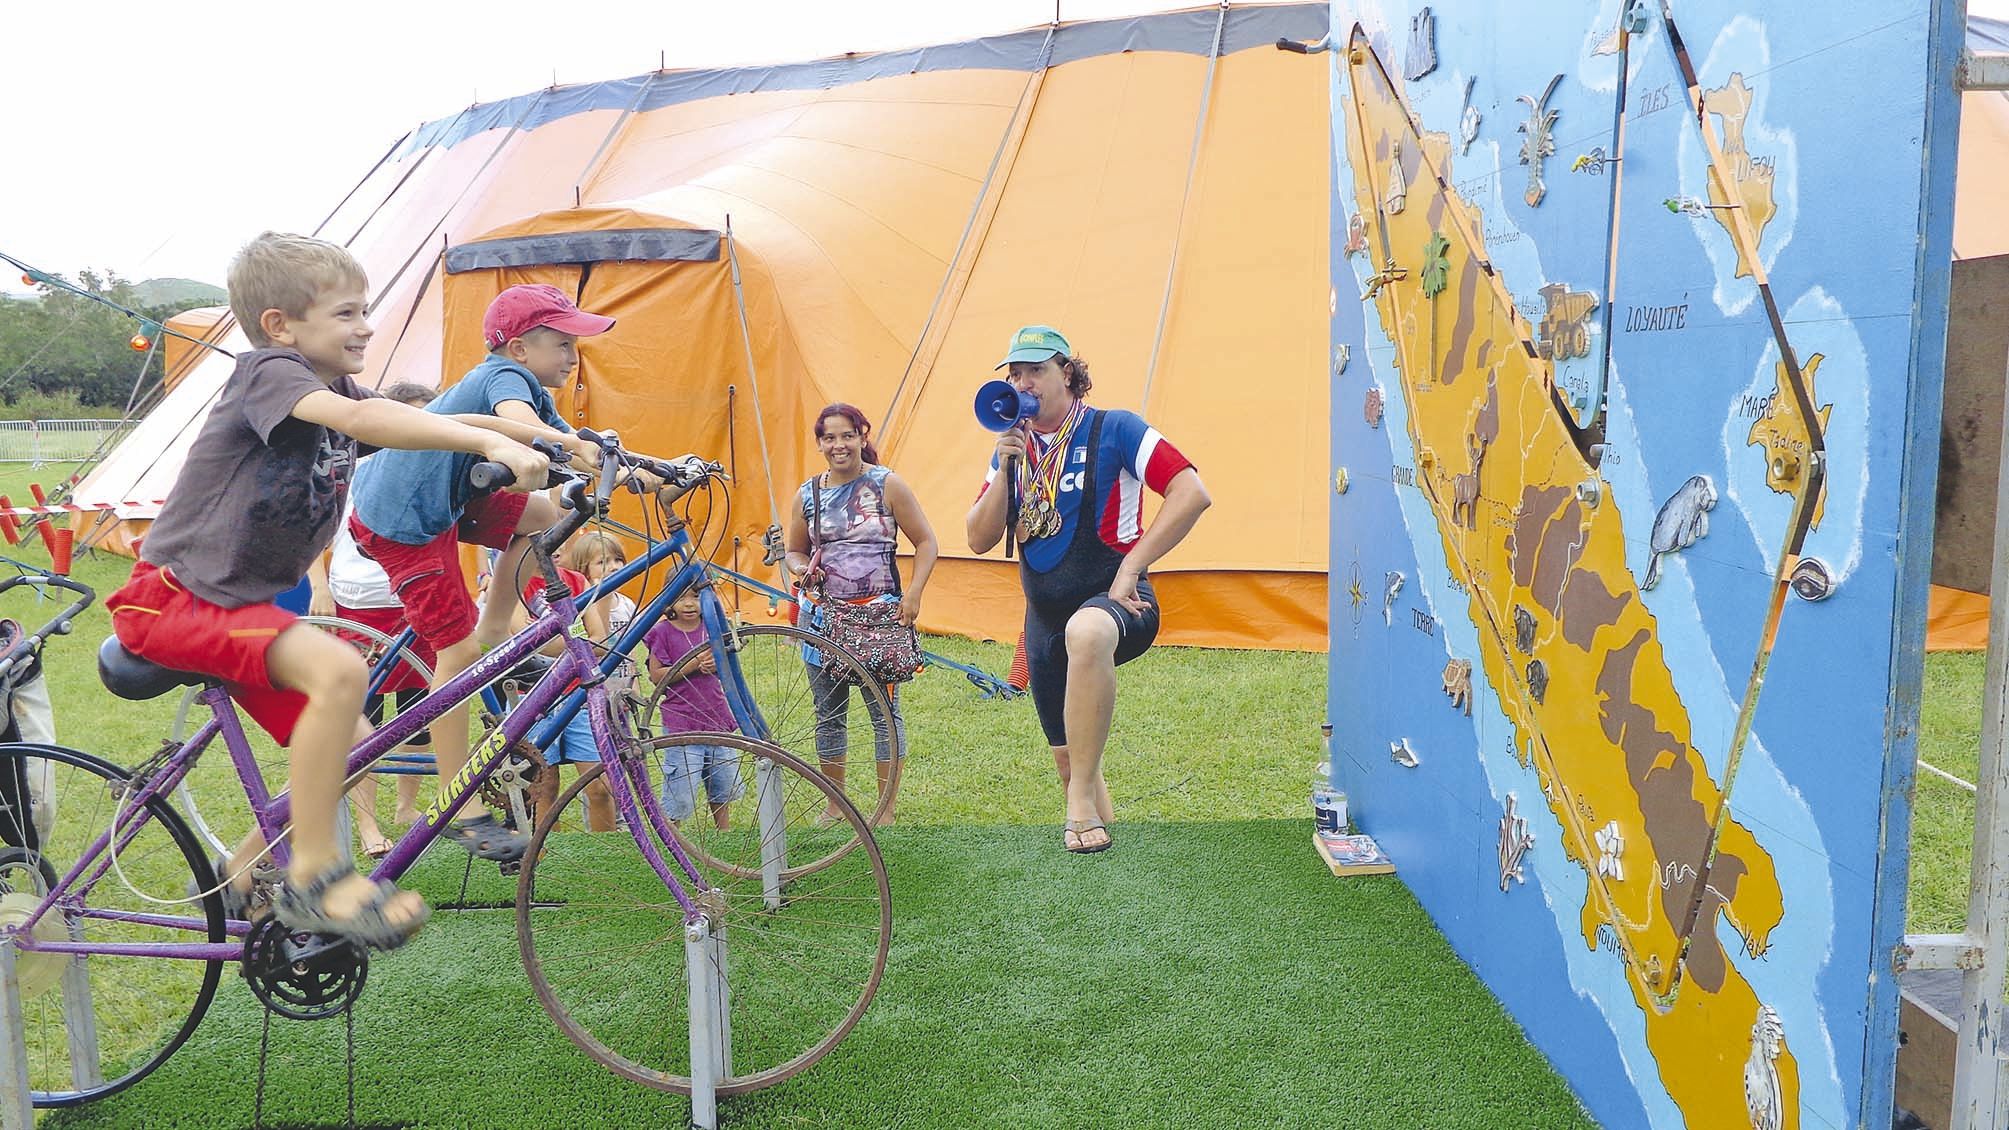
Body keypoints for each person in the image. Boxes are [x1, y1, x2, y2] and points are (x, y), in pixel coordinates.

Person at [102, 232, 548, 949]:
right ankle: (315, 876)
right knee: (343, 670)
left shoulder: (330, 389)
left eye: (364, 311)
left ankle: (241, 871)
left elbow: (421, 422)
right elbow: (366, 420)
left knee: (359, 739)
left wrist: (548, 442)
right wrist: (490, 445)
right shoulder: (269, 375)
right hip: (174, 601)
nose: (365, 325)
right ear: (282, 325)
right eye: (346, 313)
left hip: (230, 606)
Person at [347, 283, 617, 864]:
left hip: (442, 499)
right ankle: (457, 804)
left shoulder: (533, 389)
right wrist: (568, 444)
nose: (573, 355)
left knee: (544, 513)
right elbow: (517, 423)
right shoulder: (507, 380)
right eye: (562, 343)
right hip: (404, 520)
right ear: (519, 348)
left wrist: (647, 472)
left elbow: (562, 449)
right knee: (456, 650)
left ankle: (496, 632)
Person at [965, 325, 1210, 853]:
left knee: (1089, 630)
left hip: (1118, 600)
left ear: (1068, 375)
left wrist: (1132, 569)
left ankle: (1076, 805)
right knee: (1071, 761)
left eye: (1036, 371)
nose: (1023, 383)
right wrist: (1005, 465)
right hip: (1044, 619)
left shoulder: (1116, 427)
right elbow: (978, 538)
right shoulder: (1014, 447)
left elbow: (1192, 491)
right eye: (1015, 374)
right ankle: (1099, 841)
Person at [783, 403, 936, 826]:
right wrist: (799, 570)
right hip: (822, 621)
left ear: (862, 436)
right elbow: (794, 550)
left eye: (847, 435)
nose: (839, 445)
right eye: (829, 438)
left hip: (879, 623)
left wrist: (914, 596)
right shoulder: (808, 494)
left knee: (884, 715)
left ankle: (884, 810)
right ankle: (836, 806)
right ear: (819, 443)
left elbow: (926, 542)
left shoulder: (888, 485)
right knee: (828, 714)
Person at [308, 380, 438, 858]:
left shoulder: (430, 475)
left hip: (410, 603)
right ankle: (366, 823)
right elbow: (313, 532)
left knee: (418, 715)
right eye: (411, 417)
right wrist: (320, 587)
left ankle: (407, 806)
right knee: (360, 719)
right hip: (356, 606)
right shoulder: (353, 471)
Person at [513, 537, 615, 831]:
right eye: (542, 539)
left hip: (578, 695)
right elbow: (524, 642)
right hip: (533, 696)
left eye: (559, 537)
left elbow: (600, 639)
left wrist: (554, 645)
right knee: (544, 786)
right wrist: (576, 646)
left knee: (600, 787)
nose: (554, 547)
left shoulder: (576, 580)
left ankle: (604, 853)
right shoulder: (514, 586)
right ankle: (542, 857)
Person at [643, 589, 743, 829]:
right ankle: (673, 834)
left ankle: (724, 831)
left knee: (722, 780)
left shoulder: (713, 628)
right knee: (681, 787)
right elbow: (657, 676)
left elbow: (730, 669)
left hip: (716, 717)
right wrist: (695, 664)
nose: (689, 604)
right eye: (681, 597)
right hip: (682, 722)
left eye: (696, 597)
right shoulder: (662, 632)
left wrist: (716, 665)